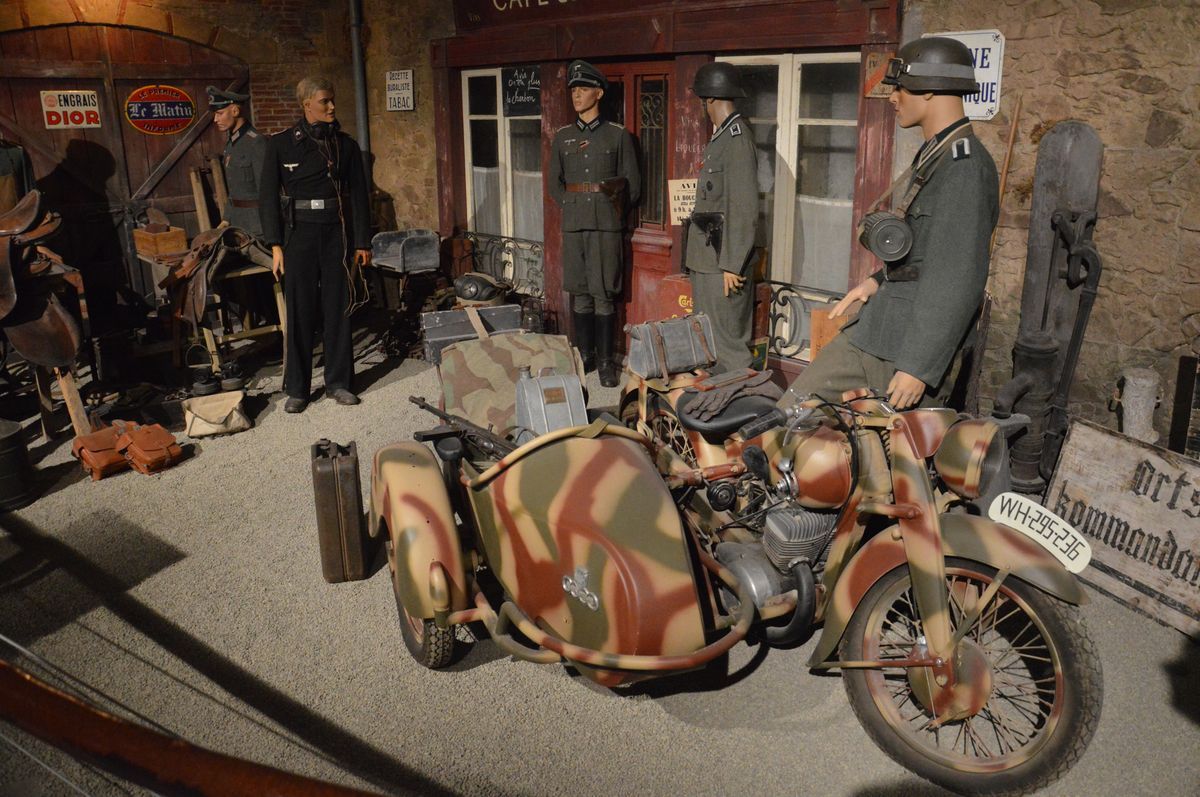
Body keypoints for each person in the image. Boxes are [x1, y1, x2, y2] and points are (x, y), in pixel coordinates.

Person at [792, 36, 998, 409]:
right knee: (798, 415)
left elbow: (957, 274)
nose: (892, 97)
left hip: (903, 348)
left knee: (810, 422)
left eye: (900, 87)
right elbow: (923, 247)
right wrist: (875, 281)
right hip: (882, 328)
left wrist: (919, 365)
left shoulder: (965, 167)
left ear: (929, 89)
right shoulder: (936, 153)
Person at [259, 77, 371, 413]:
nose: (332, 106)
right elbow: (267, 197)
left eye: (332, 100)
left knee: (339, 308)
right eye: (325, 101)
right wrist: (275, 245)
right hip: (299, 236)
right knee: (300, 310)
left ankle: (339, 383)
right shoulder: (281, 144)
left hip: (336, 234)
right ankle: (298, 389)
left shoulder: (344, 146)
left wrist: (362, 242)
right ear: (307, 103)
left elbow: (359, 196)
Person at [548, 59, 641, 388]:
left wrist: (611, 211)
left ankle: (605, 364)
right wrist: (572, 205)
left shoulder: (617, 135)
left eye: (583, 89)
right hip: (575, 224)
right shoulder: (563, 137)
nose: (576, 95)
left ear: (598, 93)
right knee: (580, 292)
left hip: (606, 225)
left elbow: (633, 185)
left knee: (604, 294)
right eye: (573, 89)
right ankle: (584, 356)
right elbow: (554, 184)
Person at [685, 62, 759, 373]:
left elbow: (744, 206)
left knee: (728, 344)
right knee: (708, 338)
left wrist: (732, 264)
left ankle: (742, 395)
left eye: (703, 100)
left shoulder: (737, 139)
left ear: (710, 99)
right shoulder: (722, 138)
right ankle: (718, 395)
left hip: (723, 262)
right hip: (708, 258)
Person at [207, 86, 267, 237]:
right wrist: (227, 218)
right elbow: (234, 189)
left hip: (257, 226)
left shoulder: (256, 142)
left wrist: (272, 233)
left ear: (235, 111)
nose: (215, 119)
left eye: (220, 113)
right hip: (237, 224)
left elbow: (267, 191)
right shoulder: (231, 144)